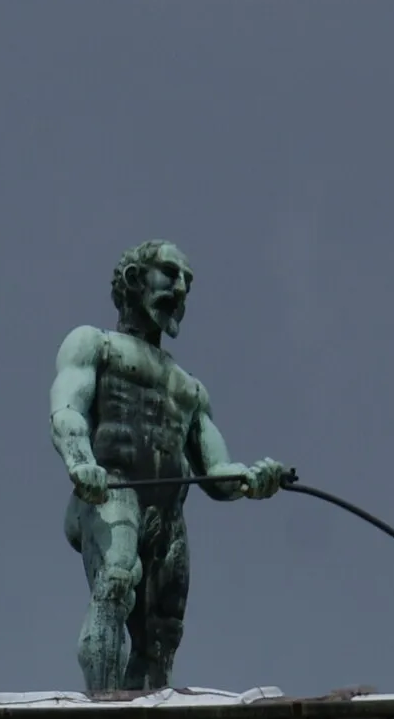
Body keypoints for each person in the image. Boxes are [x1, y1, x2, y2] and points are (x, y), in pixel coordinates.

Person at [49, 239, 288, 694]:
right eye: (170, 275)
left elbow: (217, 474)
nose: (180, 290)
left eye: (187, 283)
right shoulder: (93, 344)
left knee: (163, 634)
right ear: (135, 280)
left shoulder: (190, 389)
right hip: (110, 490)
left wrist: (254, 479)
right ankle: (100, 715)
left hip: (168, 516)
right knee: (117, 579)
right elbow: (67, 409)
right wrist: (80, 462)